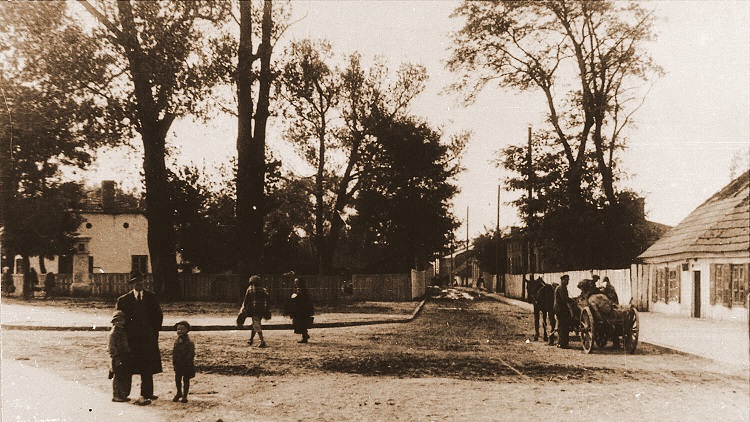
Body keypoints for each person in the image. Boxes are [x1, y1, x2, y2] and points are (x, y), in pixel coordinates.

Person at [115, 273, 163, 406]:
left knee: (147, 366)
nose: (139, 284)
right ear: (131, 284)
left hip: (147, 338)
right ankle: (124, 393)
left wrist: (153, 333)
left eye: (141, 281)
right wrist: (123, 336)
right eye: (136, 282)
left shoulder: (151, 297)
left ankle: (147, 393)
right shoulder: (123, 300)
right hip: (131, 340)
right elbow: (118, 318)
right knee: (128, 366)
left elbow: (158, 316)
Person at [238, 275, 270, 348]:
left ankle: (262, 341)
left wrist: (243, 309)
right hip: (261, 309)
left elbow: (246, 301)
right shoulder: (263, 290)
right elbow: (267, 299)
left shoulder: (250, 290)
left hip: (254, 309)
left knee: (256, 325)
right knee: (255, 323)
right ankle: (251, 339)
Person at [108, 310, 132, 403]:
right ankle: (116, 395)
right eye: (118, 321)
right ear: (114, 322)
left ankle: (122, 394)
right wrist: (116, 357)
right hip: (117, 357)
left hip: (124, 356)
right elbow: (111, 348)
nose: (121, 322)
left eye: (122, 320)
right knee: (117, 377)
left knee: (124, 376)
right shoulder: (113, 334)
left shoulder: (122, 332)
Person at [284, 278, 315, 343]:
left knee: (301, 323)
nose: (295, 283)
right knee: (301, 323)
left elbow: (305, 300)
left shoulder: (302, 291)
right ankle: (305, 335)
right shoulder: (299, 290)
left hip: (302, 310)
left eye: (297, 282)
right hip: (299, 309)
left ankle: (305, 336)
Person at [172, 320, 195, 403]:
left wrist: (187, 361)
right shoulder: (176, 342)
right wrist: (174, 361)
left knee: (186, 380)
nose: (180, 331)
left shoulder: (189, 343)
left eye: (182, 329)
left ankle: (185, 395)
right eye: (178, 329)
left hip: (186, 364)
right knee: (177, 379)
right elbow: (174, 352)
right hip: (178, 364)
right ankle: (179, 392)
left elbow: (191, 354)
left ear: (187, 330)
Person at [554, 274, 572, 349]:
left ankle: (562, 342)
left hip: (560, 309)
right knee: (563, 326)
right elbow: (564, 299)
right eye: (566, 280)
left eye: (568, 280)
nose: (567, 282)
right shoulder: (561, 288)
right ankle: (562, 343)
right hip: (561, 309)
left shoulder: (561, 287)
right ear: (562, 280)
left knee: (562, 325)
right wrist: (572, 300)